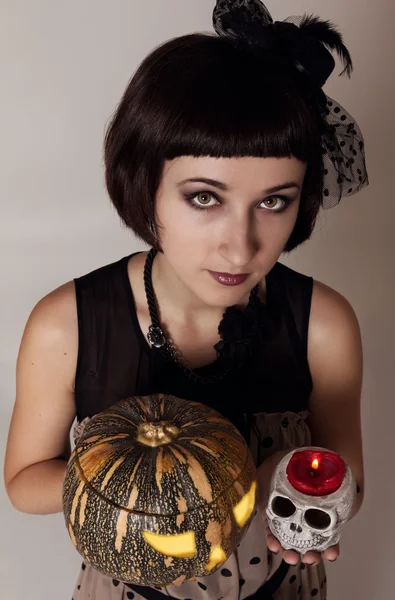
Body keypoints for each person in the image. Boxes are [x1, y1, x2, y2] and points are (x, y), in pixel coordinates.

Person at [4, 1, 368, 599]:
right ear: (145, 185)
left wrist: (303, 488)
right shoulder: (66, 324)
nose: (240, 245)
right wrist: (150, 488)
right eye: (204, 198)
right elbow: (22, 482)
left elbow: (349, 479)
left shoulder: (323, 325)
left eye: (274, 201)